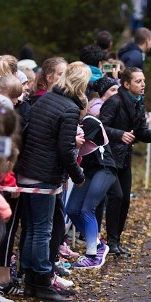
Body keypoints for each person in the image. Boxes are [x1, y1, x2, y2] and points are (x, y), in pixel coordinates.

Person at [14, 62, 88, 301]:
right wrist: (78, 175)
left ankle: (31, 280)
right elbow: (66, 150)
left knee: (33, 228)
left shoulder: (45, 100)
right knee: (41, 231)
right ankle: (41, 280)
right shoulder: (68, 109)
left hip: (28, 169)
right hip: (43, 175)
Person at [99, 68, 151, 255]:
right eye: (138, 81)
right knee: (116, 197)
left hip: (125, 157)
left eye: (144, 80)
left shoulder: (139, 103)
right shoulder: (114, 102)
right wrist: (119, 134)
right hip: (109, 156)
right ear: (126, 84)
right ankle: (110, 241)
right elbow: (100, 127)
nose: (143, 84)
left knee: (125, 200)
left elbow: (141, 131)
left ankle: (116, 241)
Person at [67, 110, 117, 269]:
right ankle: (97, 244)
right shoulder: (71, 125)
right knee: (72, 209)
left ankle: (92, 255)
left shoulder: (89, 122)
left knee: (87, 208)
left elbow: (73, 141)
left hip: (105, 168)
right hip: (87, 171)